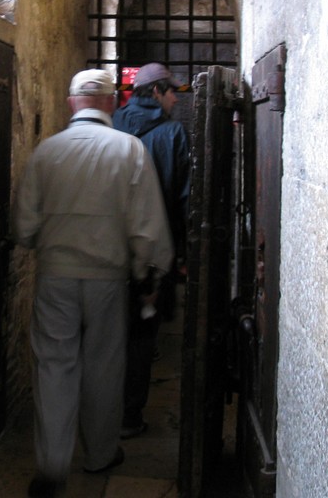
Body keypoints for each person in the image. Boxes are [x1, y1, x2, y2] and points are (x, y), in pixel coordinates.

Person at [15, 68, 174, 498]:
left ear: (71, 103)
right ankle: (101, 453)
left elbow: (24, 227)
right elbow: (148, 229)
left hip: (55, 278)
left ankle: (51, 466)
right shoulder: (130, 151)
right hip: (108, 278)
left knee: (53, 367)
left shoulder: (46, 153)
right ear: (112, 102)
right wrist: (150, 272)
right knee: (105, 367)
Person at [112, 62, 191, 439]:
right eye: (172, 91)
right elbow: (183, 198)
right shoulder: (174, 133)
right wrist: (182, 253)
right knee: (143, 335)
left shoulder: (112, 124)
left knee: (107, 333)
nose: (176, 98)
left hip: (110, 246)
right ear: (156, 91)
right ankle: (129, 416)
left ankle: (101, 412)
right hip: (154, 247)